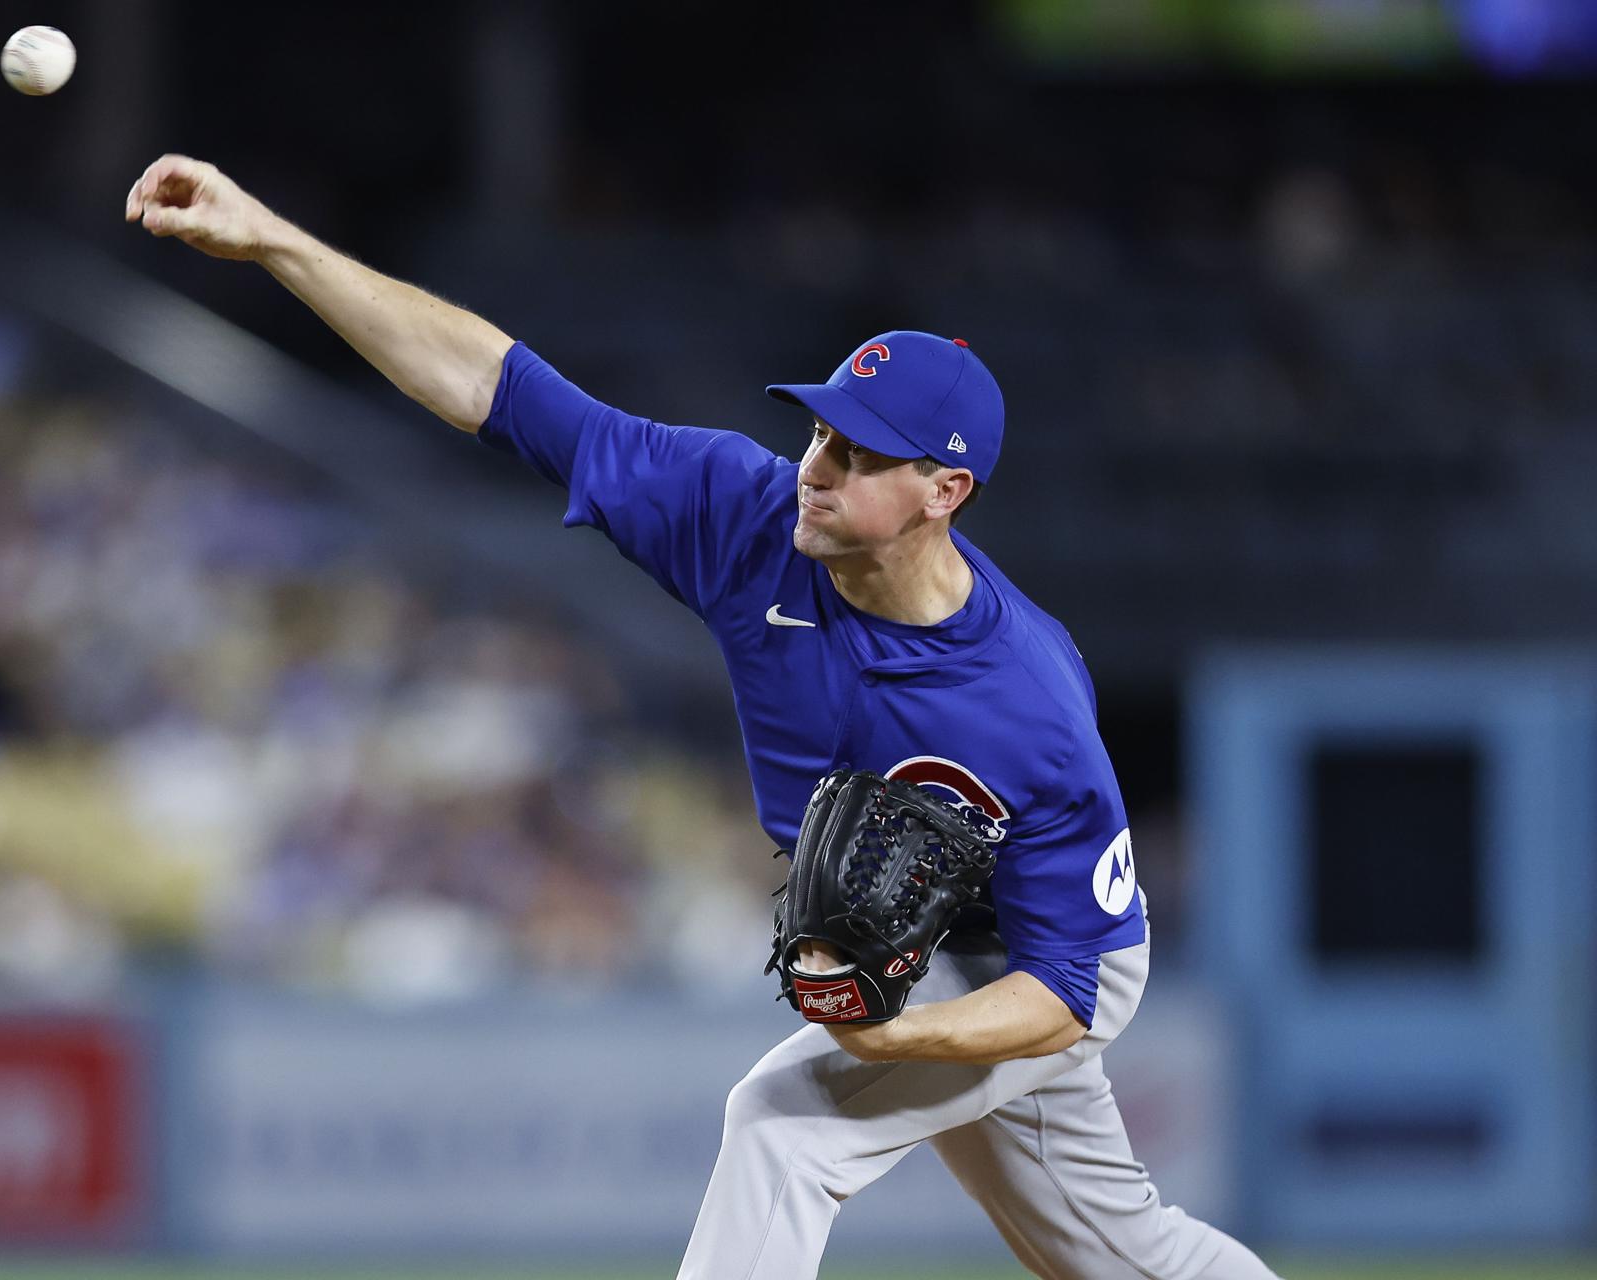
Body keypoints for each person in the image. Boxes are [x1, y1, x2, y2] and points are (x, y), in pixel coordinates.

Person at [126, 154, 1282, 1280]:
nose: (816, 466)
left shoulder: (1027, 701)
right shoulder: (745, 513)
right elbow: (503, 388)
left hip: (1042, 959)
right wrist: (275, 240)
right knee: (1118, 1253)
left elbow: (1068, 994)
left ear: (945, 491)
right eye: (819, 430)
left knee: (781, 1123)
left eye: (858, 451)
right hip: (926, 941)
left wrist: (892, 1037)